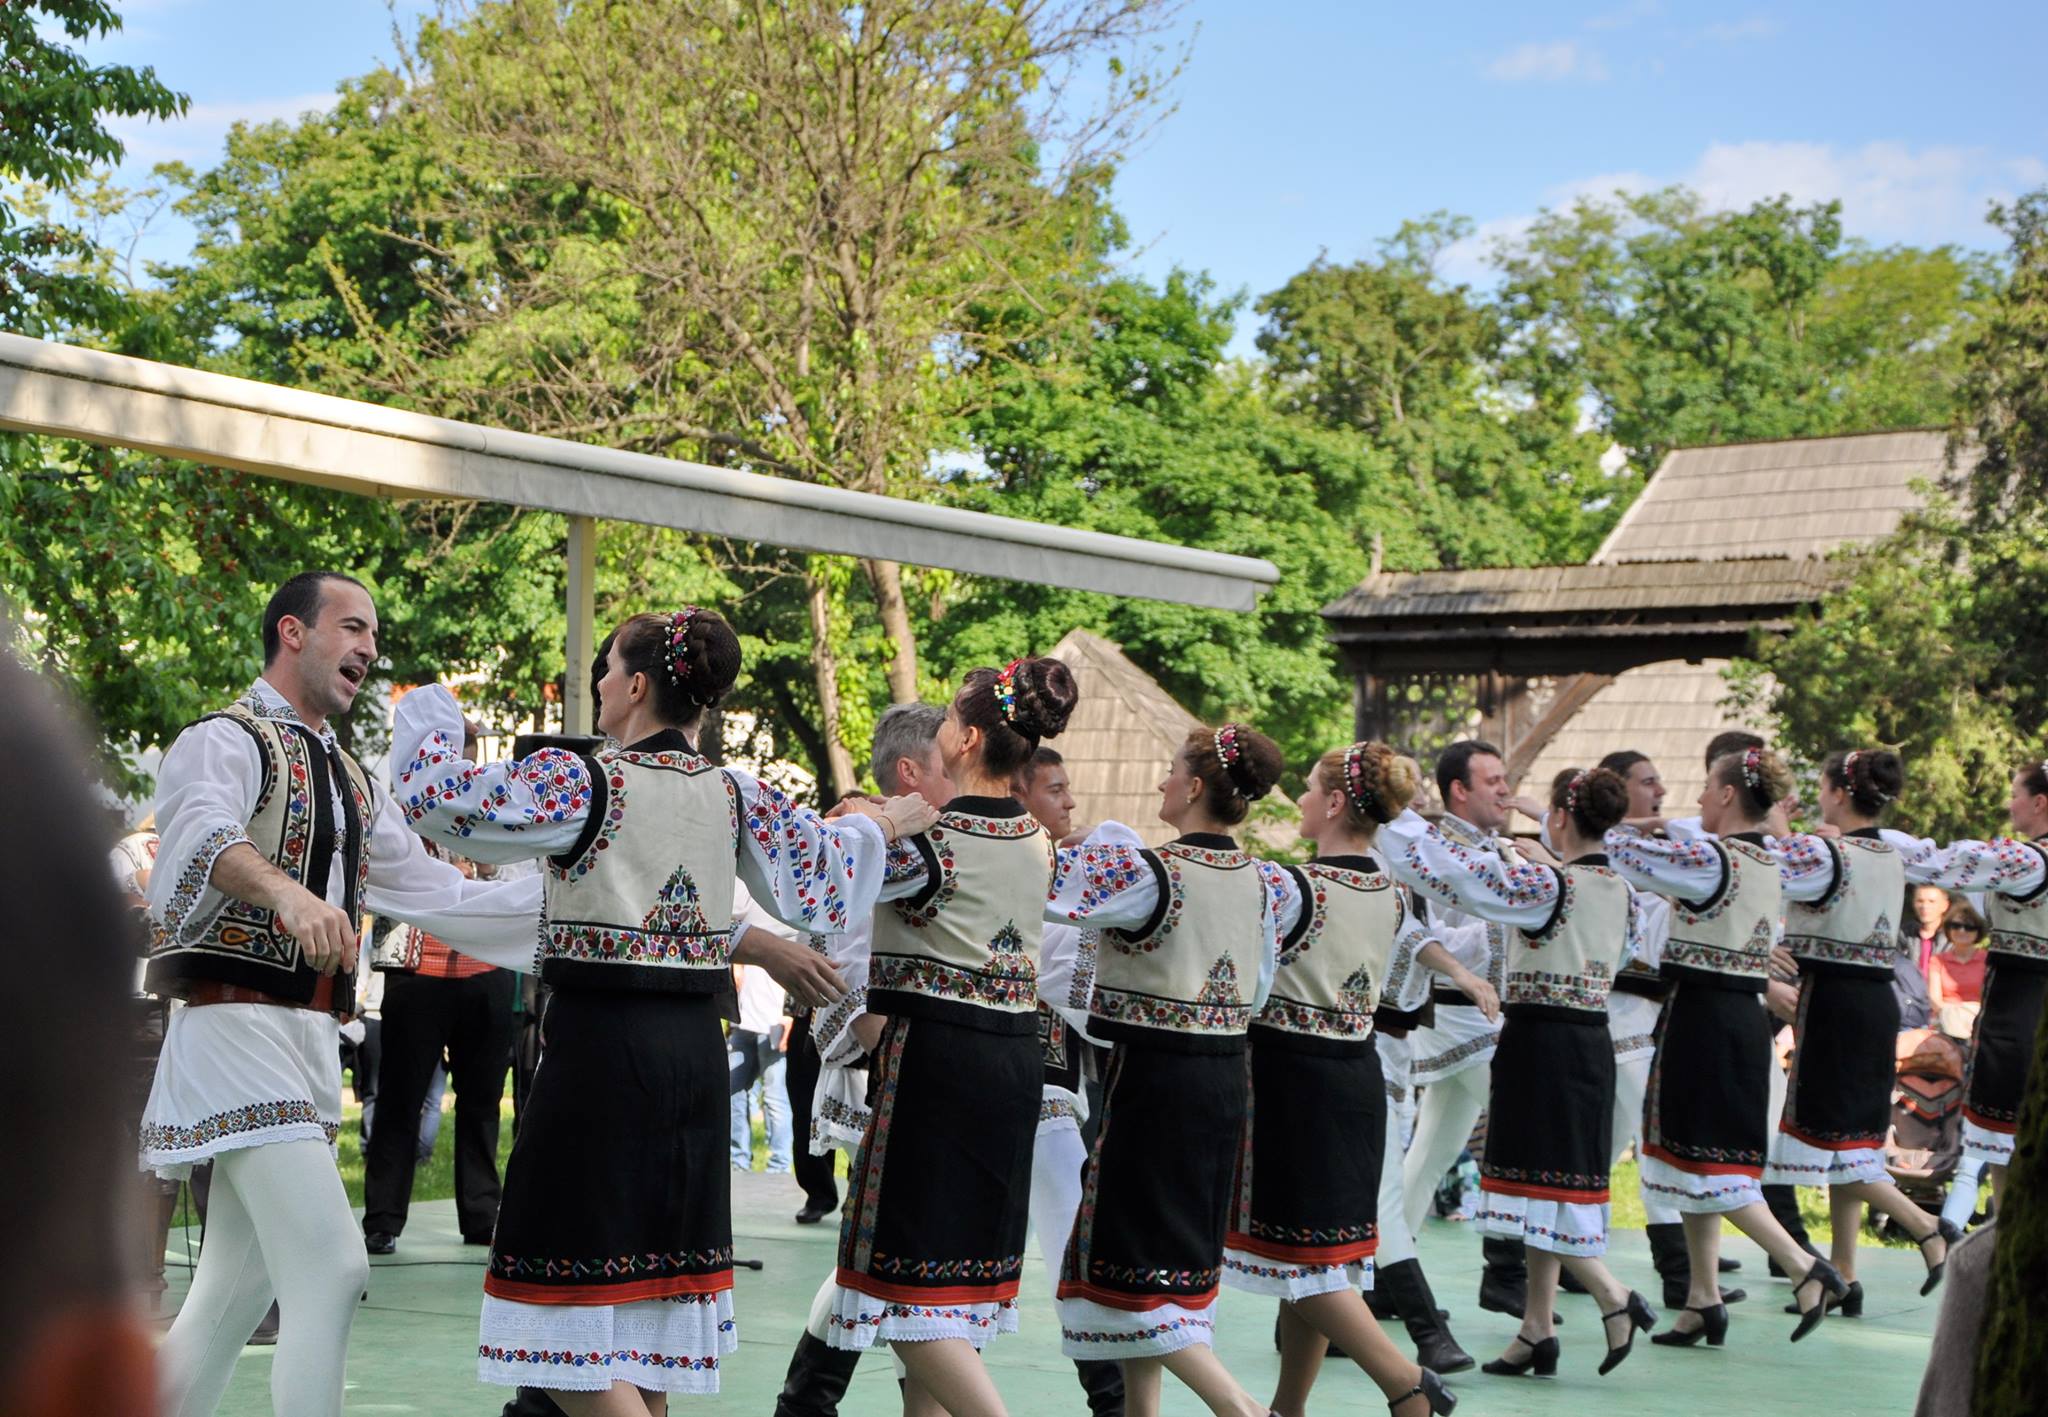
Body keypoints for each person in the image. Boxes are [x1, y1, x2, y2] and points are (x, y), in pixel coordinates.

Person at [392, 606, 933, 1412]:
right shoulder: (736, 792)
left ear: (638, 685)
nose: (601, 684)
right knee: (645, 1324)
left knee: (562, 1326)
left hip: (601, 1063)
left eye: (607, 669)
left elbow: (441, 800)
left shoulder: (585, 780)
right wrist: (887, 817)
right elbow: (823, 876)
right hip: (691, 1064)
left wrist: (428, 710)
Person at [139, 572, 540, 1417]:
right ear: (292, 631)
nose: (368, 648)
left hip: (308, 1037)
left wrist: (564, 901)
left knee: (234, 1294)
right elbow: (202, 829)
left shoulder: (355, 780)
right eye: (351, 627)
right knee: (330, 1265)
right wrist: (286, 892)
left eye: (373, 634)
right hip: (233, 1025)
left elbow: (439, 892)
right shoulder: (224, 738)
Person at [822, 657, 1078, 1417]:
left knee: (897, 1284)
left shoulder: (930, 844)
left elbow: (818, 879)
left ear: (966, 739)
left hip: (936, 1064)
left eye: (942, 724)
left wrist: (868, 821)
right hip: (1013, 1061)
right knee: (953, 1282)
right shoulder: (1040, 841)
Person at [1233, 742, 1487, 1416]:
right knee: (1322, 1260)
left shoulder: (1289, 887)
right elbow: (1401, 998)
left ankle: (1408, 1384)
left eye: (1313, 788)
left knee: (1304, 1262)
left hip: (1296, 1082)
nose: (1304, 799)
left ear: (1338, 802)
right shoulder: (1391, 895)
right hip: (1357, 1075)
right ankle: (1289, 1408)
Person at [1046, 722, 1286, 1417]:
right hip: (1225, 1081)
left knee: (1117, 1273)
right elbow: (1261, 986)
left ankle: (1242, 1409)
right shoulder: (1261, 881)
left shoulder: (1152, 870)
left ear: (1197, 785)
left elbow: (1046, 887)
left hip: (1155, 1083)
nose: (1161, 781)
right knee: (1168, 1270)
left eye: (1172, 770)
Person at [1387, 767, 1655, 1377]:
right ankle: (1536, 1328)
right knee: (1547, 1185)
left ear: (1558, 816)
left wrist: (1391, 813)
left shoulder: (1548, 887)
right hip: (1592, 1039)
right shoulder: (1624, 891)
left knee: (1535, 1184)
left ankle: (1615, 1295)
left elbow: (1455, 879)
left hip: (1542, 1042)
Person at [1604, 746, 1849, 1348]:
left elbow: (1612, 847)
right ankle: (1703, 1299)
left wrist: (1612, 822)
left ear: (1728, 795)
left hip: (1703, 1018)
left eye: (1706, 788)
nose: (1695, 800)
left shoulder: (1709, 860)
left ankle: (1802, 1265)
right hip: (1742, 1016)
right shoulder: (1772, 859)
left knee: (1699, 1157)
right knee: (1698, 1154)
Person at [773, 703, 956, 1417]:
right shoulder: (878, 841)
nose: (955, 776)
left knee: (914, 1264)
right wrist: (901, 1052)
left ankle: (807, 1403)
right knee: (894, 1259)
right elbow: (841, 960)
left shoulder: (944, 840)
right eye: (944, 765)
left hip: (939, 1073)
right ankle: (806, 1402)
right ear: (910, 773)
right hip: (903, 1072)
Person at [1, 654, 160, 1417]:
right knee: (133, 1151)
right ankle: (139, 1276)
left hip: (149, 1016)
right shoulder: (125, 855)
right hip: (117, 1020)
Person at [1765, 750, 1956, 1311]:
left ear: (1838, 794)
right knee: (1854, 1140)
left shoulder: (1824, 852)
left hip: (1836, 1002)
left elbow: (1776, 865)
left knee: (1830, 1141)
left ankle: (1926, 1226)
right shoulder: (1893, 849)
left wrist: (1777, 821)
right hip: (1877, 999)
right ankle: (1845, 1271)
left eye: (1823, 786)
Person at [363, 710, 520, 1253]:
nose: (465, 755)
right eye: (456, 744)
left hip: (485, 967)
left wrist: (488, 858)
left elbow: (510, 870)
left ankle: (481, 1216)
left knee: (481, 1102)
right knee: (400, 1100)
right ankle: (382, 1218)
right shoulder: (396, 801)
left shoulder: (493, 802)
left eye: (469, 747)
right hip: (416, 969)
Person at [1882, 757, 2048, 1229]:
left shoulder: (2028, 859)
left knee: (2005, 1157)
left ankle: (2006, 1265)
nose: (2009, 803)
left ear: (2040, 802)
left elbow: (1939, 863)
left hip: (2019, 1019)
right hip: (2024, 1015)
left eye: (2016, 793)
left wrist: (1871, 837)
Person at [1397, 741, 1532, 1319]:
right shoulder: (1435, 851)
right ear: (1460, 789)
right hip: (1457, 1011)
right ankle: (1506, 1267)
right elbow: (1434, 937)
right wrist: (1501, 921)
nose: (1505, 790)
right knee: (1521, 1128)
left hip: (1480, 1012)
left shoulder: (1500, 850)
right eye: (1494, 780)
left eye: (1505, 780)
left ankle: (1385, 1275)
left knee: (1432, 1152)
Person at [1014, 746, 1127, 1417]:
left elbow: (1075, 994)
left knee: (1068, 1223)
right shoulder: (988, 853)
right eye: (1056, 789)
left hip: (1043, 1077)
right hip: (965, 1075)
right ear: (1020, 791)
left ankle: (1110, 1397)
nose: (1070, 804)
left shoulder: (1072, 869)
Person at [729, 954, 794, 1174]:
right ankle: (738, 1161)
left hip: (774, 1023)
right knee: (732, 1092)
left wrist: (789, 1015)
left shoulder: (789, 923)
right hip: (743, 1022)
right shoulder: (750, 918)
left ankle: (779, 1165)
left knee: (775, 1098)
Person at [1930, 902, 1989, 1041]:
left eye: (1969, 927)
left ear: (1978, 931)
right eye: (1956, 926)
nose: (1962, 931)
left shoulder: (1987, 959)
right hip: (1946, 1020)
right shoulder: (1938, 960)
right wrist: (1954, 1016)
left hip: (1978, 1019)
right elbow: (1935, 1000)